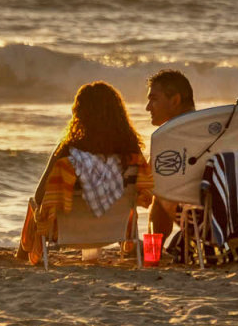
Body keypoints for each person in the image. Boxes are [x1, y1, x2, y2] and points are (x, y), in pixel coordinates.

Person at [17, 81, 154, 263]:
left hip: (67, 233)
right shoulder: (132, 155)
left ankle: (21, 256)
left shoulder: (68, 152)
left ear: (79, 114)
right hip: (114, 231)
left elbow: (41, 195)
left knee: (34, 204)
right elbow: (141, 195)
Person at [144, 69, 196, 241]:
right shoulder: (211, 129)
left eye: (154, 99)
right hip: (228, 219)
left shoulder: (166, 137)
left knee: (160, 189)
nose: (147, 108)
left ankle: (153, 251)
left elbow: (146, 182)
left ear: (175, 100)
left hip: (196, 219)